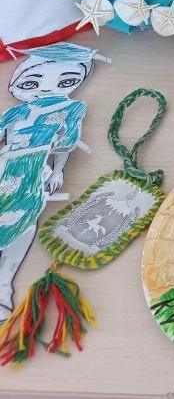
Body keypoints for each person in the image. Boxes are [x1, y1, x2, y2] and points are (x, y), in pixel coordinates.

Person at [0, 44, 108, 322]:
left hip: (34, 168)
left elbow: (67, 143)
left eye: (66, 81)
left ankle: (3, 290)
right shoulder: (15, 113)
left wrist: (58, 171)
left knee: (22, 222)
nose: (48, 88)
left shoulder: (72, 107)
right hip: (5, 164)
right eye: (33, 82)